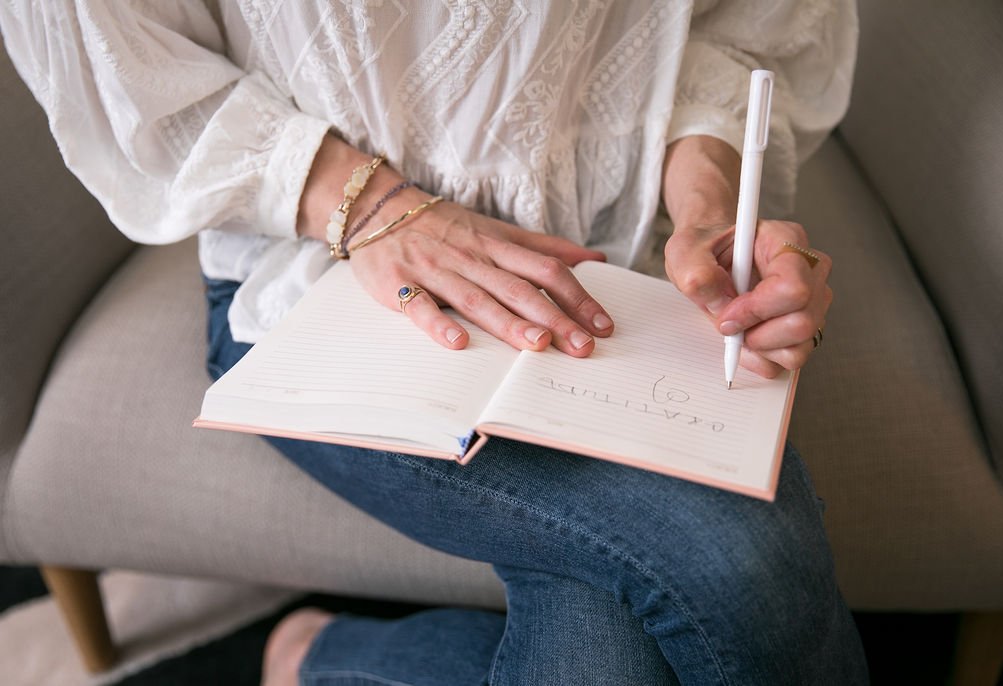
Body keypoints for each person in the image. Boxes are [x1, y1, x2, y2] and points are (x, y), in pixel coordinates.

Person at [1, 1, 868, 683]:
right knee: (742, 555)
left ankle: (329, 659)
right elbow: (125, 59)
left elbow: (733, 27)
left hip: (619, 256)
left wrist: (712, 208)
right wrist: (370, 209)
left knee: (618, 651)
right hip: (324, 271)